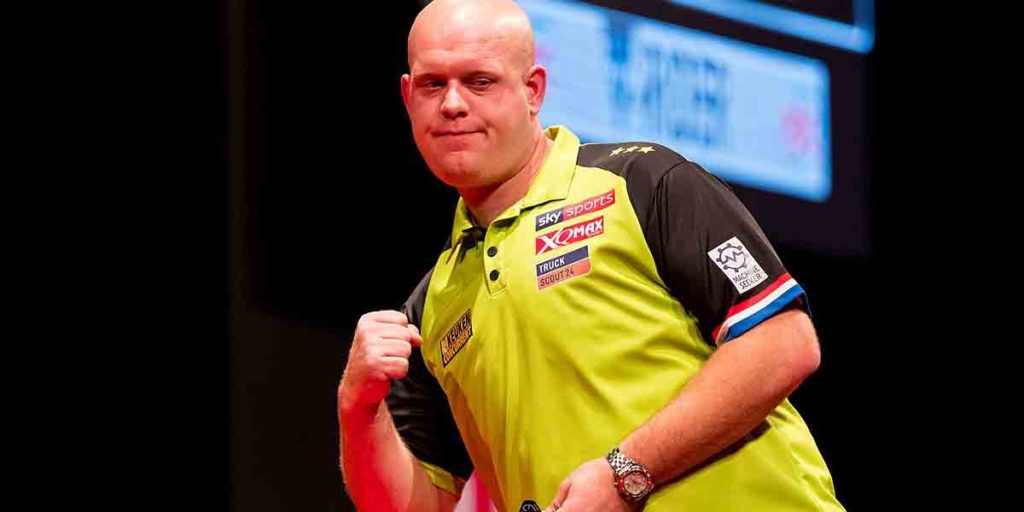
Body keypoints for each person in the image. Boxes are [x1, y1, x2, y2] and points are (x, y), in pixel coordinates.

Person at [337, 0, 844, 510]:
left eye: (480, 81)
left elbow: (784, 342)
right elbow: (417, 505)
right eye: (432, 84)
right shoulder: (431, 308)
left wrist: (626, 472)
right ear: (408, 97)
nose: (452, 104)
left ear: (533, 90)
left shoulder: (642, 182)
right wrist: (357, 408)